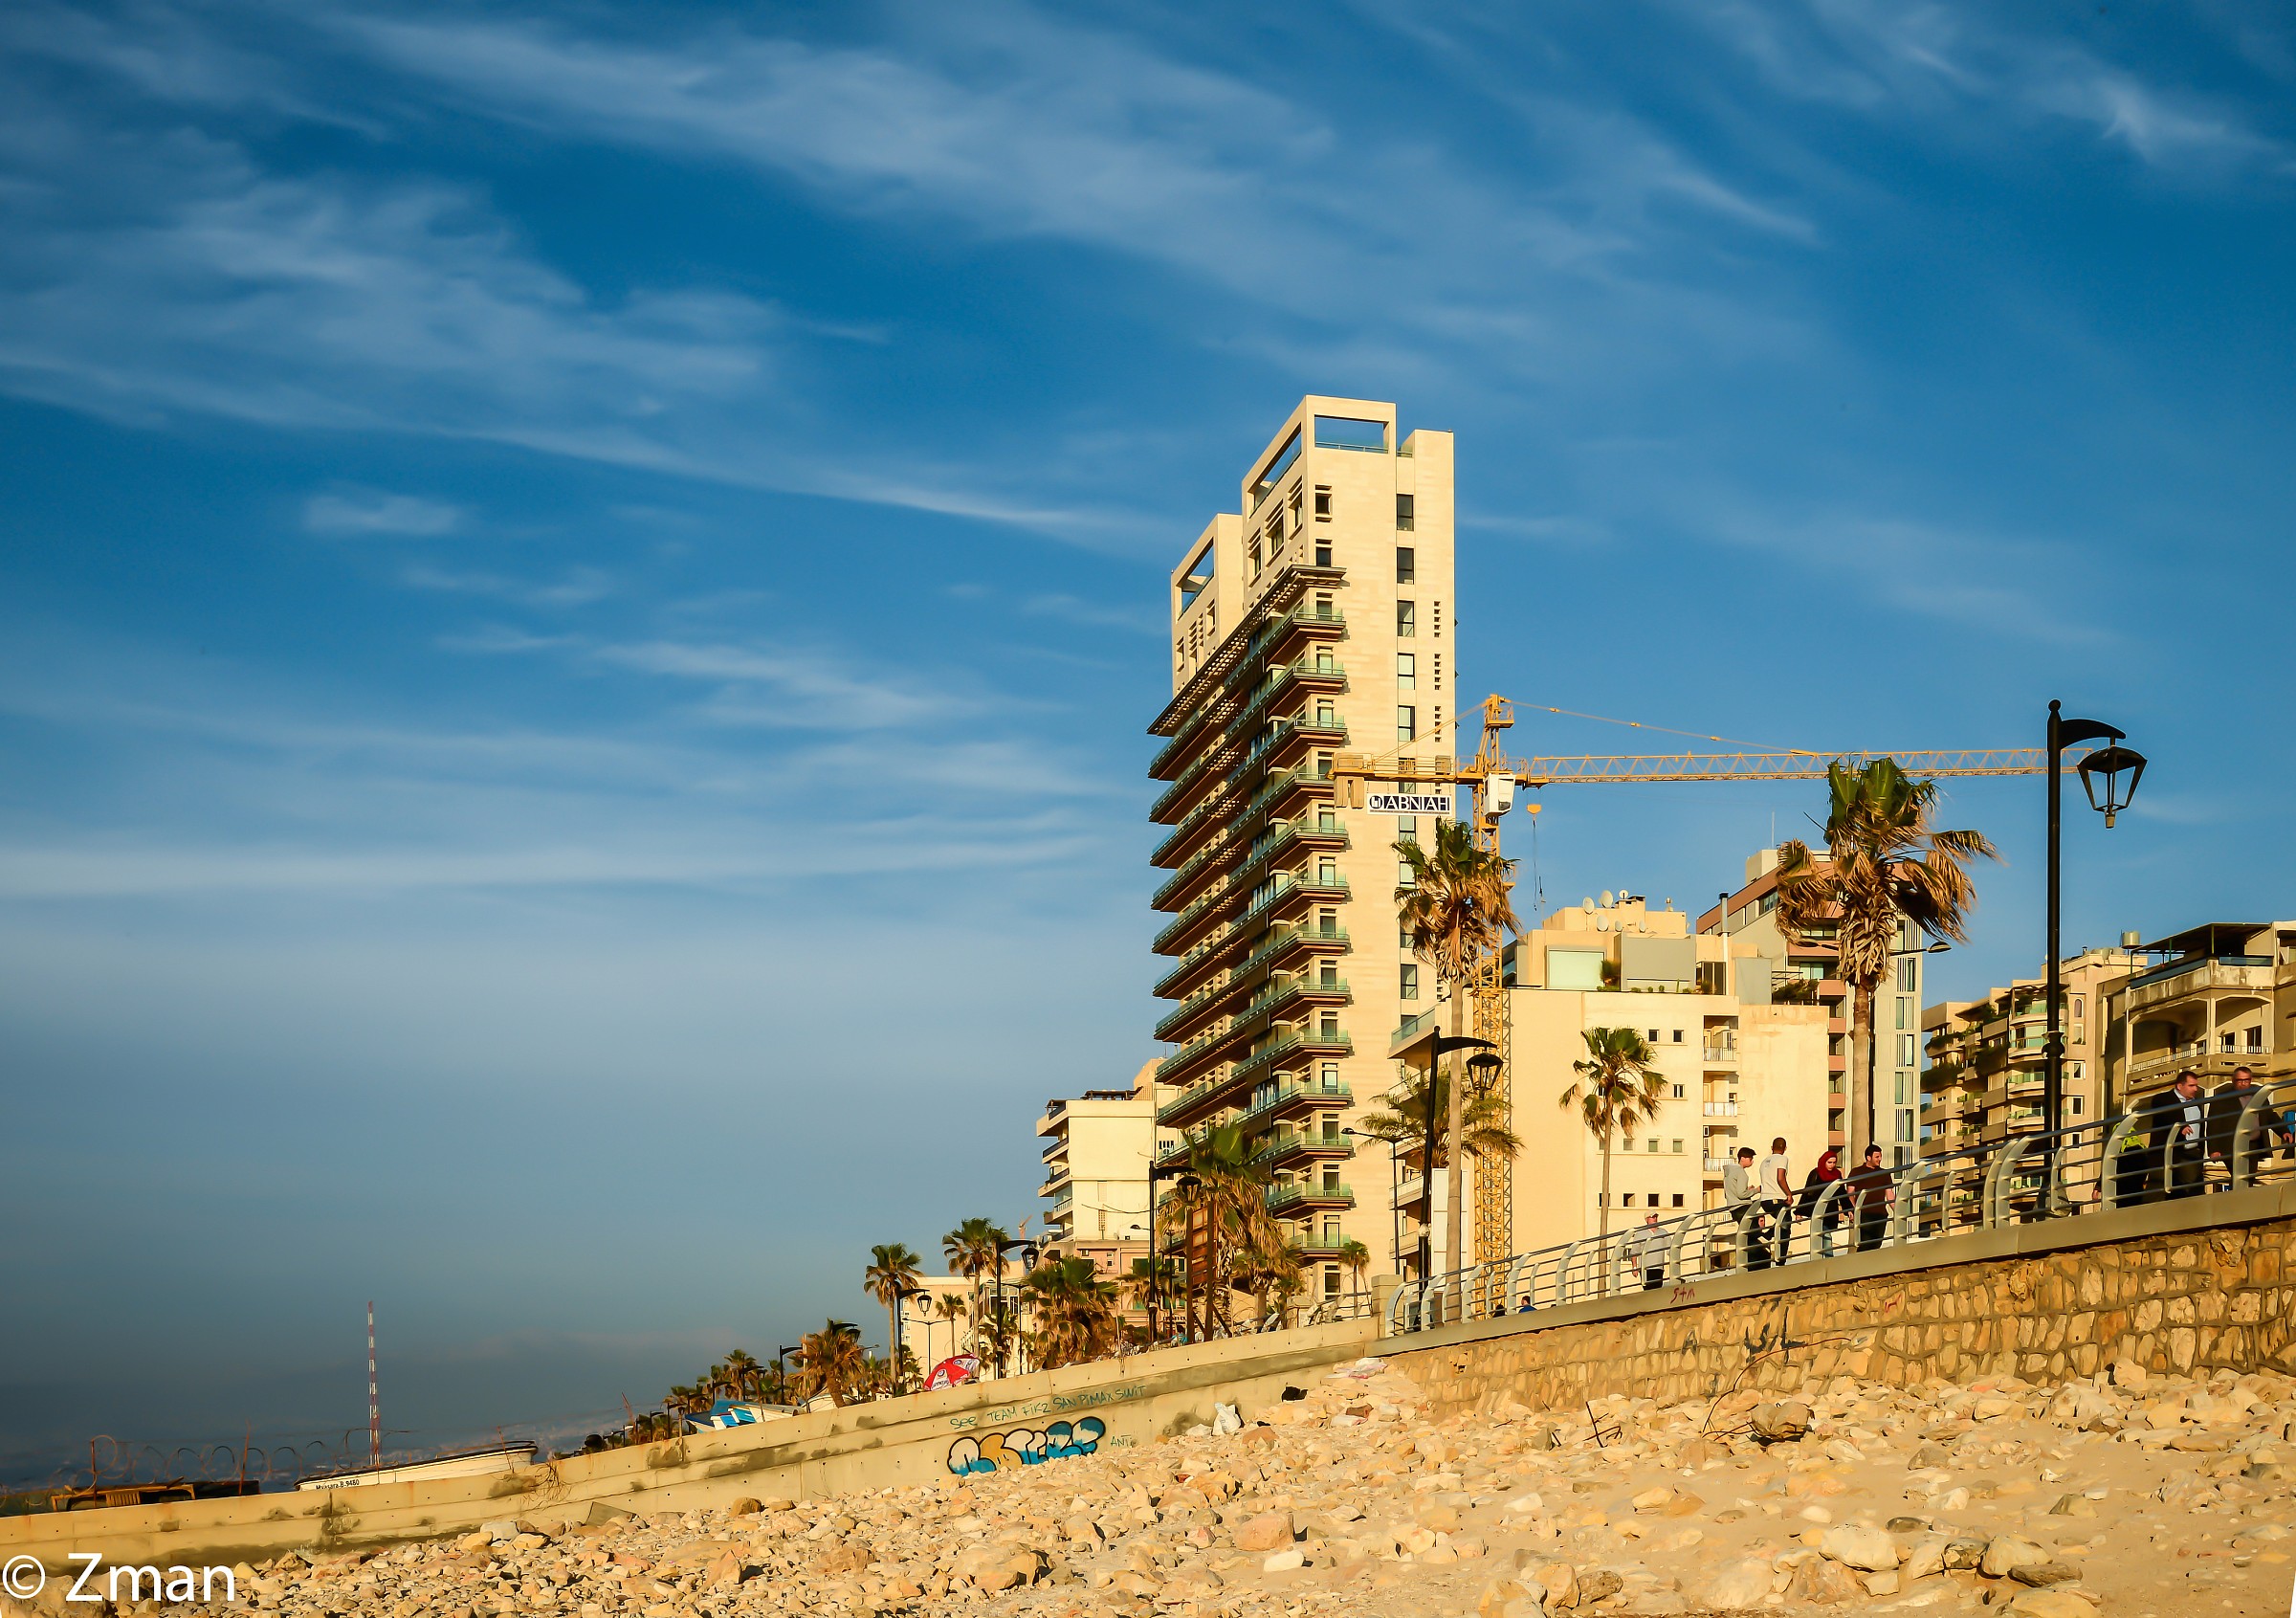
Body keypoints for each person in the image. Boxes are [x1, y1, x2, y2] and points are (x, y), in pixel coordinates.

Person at [2212, 1066, 2286, 1176]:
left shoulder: (2258, 1096)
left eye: (2246, 1080)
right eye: (2240, 1080)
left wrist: (2284, 1131)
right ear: (2233, 1081)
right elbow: (2213, 1125)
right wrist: (2214, 1149)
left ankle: (2243, 1193)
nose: (2243, 1083)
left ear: (2250, 1080)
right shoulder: (2222, 1098)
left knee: (2249, 1177)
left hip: (2253, 1144)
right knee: (2239, 1176)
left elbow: (2270, 1116)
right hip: (2232, 1146)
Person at [2160, 1069, 2213, 1198]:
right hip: (2176, 1151)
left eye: (2196, 1085)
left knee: (2195, 1188)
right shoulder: (2165, 1099)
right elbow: (2164, 1115)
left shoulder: (2196, 1102)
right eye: (2191, 1085)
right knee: (2184, 1190)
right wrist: (2179, 1127)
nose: (2195, 1089)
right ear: (2179, 1086)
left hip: (2194, 1151)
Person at [1845, 1144, 1895, 1252]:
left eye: (1880, 1156)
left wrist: (1897, 1209)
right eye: (1877, 1157)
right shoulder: (1856, 1172)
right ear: (1869, 1157)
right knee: (1865, 1243)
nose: (1880, 1159)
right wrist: (1853, 1210)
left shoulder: (1884, 1173)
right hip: (1864, 1213)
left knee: (1877, 1244)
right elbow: (1850, 1193)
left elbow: (1889, 1193)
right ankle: (1861, 1266)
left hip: (1880, 1214)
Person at [1723, 1146, 1766, 1269]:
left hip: (1733, 1208)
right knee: (1753, 1233)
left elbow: (1730, 1192)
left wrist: (1748, 1190)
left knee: (1748, 1235)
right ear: (1743, 1158)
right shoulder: (1741, 1172)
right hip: (1743, 1207)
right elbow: (1741, 1194)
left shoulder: (1728, 1172)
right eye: (1750, 1159)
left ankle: (1753, 1261)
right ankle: (1756, 1263)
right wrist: (1756, 1190)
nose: (1752, 1161)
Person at [1797, 1148, 1844, 1257]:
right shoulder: (1816, 1173)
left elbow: (1842, 1193)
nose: (1832, 1165)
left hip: (1830, 1211)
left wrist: (1849, 1210)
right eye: (1829, 1162)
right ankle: (1827, 1259)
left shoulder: (1837, 1174)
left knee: (1825, 1234)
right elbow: (1807, 1192)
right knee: (1824, 1234)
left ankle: (1825, 1259)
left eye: (1834, 1162)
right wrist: (1799, 1211)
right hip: (1817, 1210)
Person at [1759, 1136, 1794, 1260]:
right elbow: (1780, 1178)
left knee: (1783, 1223)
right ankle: (1780, 1258)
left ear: (1771, 1148)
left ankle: (1767, 1237)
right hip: (1777, 1198)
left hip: (1765, 1200)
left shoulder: (1764, 1162)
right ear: (1784, 1148)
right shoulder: (1782, 1159)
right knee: (1786, 1225)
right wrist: (1789, 1194)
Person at [1629, 1211, 1667, 1290]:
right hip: (1645, 1268)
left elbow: (1671, 1247)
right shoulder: (1640, 1234)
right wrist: (1634, 1268)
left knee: (1658, 1290)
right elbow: (1634, 1252)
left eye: (1656, 1216)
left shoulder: (1663, 1232)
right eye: (1652, 1217)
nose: (1655, 1218)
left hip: (1659, 1267)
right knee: (1648, 1290)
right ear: (1647, 1219)